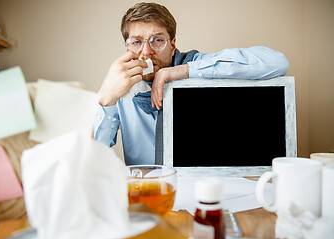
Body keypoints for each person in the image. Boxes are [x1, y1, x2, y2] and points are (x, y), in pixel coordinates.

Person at [94, 2, 289, 165]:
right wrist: (105, 100)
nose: (146, 52)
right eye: (136, 42)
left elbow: (278, 63)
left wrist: (182, 71)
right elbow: (91, 154)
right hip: (148, 193)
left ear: (172, 46)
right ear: (126, 48)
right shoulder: (119, 86)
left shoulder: (199, 67)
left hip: (202, 186)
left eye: (158, 40)